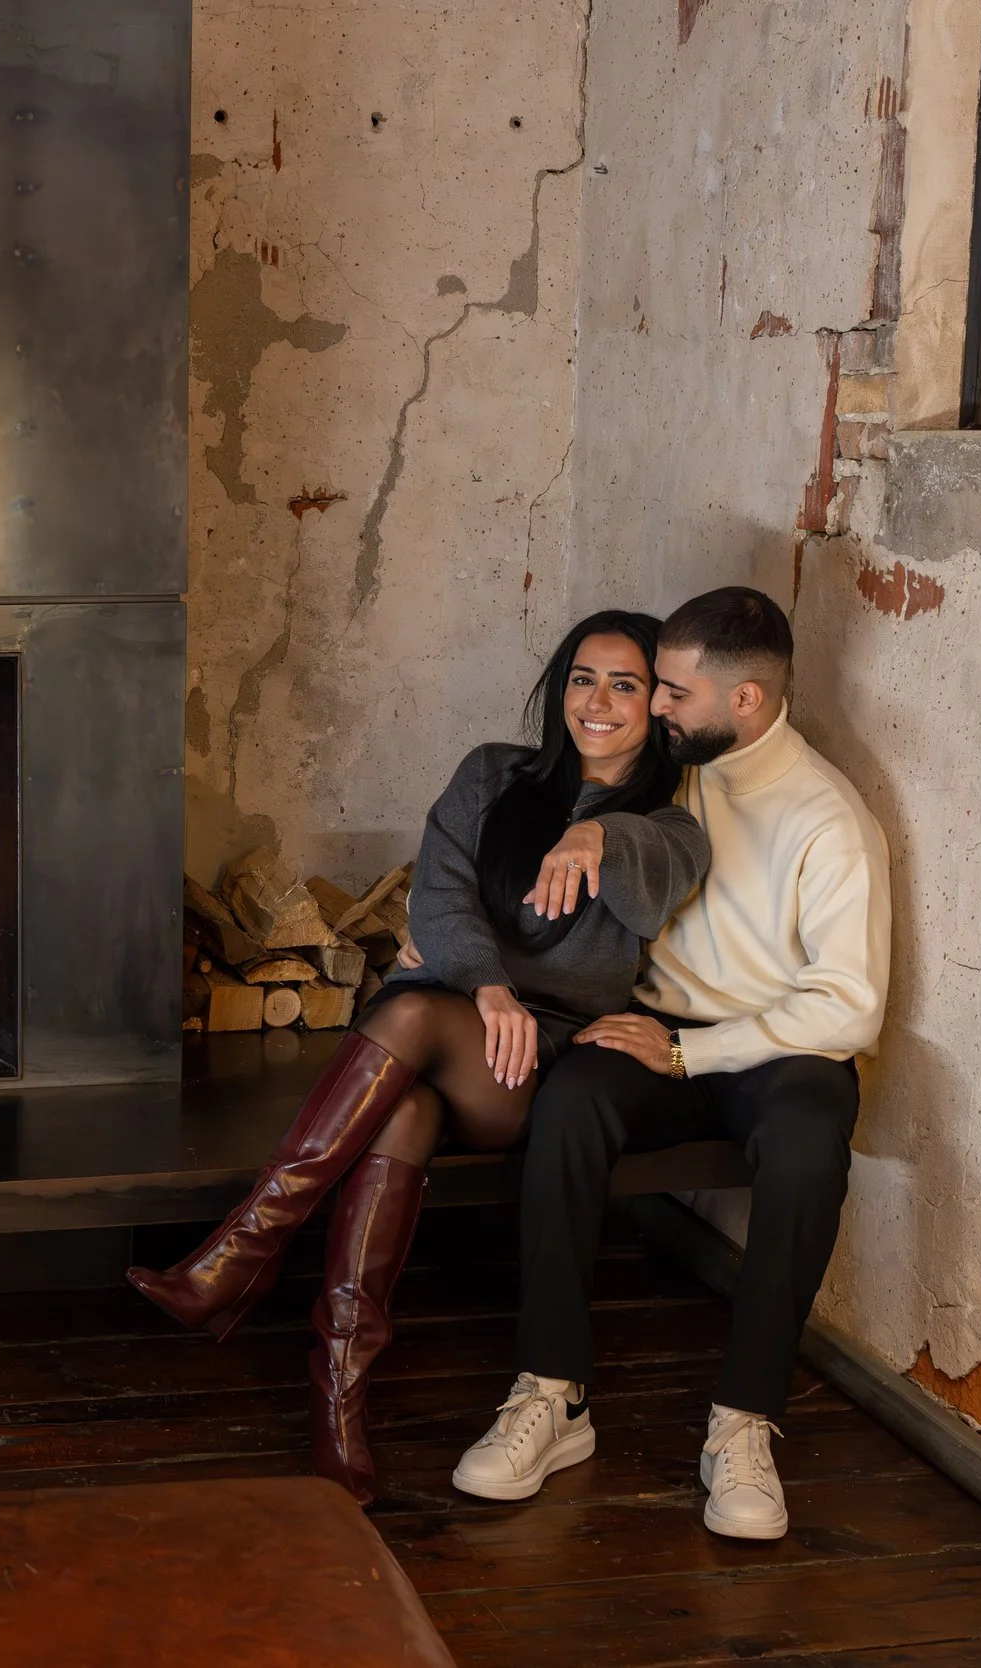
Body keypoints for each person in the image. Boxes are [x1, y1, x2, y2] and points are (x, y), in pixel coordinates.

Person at [128, 610, 709, 1505]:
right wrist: (486, 985)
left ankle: (239, 1255)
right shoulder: (491, 774)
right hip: (459, 1010)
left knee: (408, 1020)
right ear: (559, 687)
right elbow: (436, 900)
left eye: (624, 685)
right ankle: (338, 1398)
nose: (597, 702)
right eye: (582, 678)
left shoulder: (670, 827)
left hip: (530, 1060)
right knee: (402, 1099)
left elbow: (652, 882)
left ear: (654, 707)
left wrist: (599, 835)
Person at [450, 586, 891, 1542]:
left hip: (777, 1054)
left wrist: (695, 1052)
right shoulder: (672, 772)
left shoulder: (828, 819)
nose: (651, 708)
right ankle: (553, 1394)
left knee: (814, 1136)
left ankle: (742, 1423)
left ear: (746, 702)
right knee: (570, 1103)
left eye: (673, 694)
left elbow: (850, 1005)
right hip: (654, 1035)